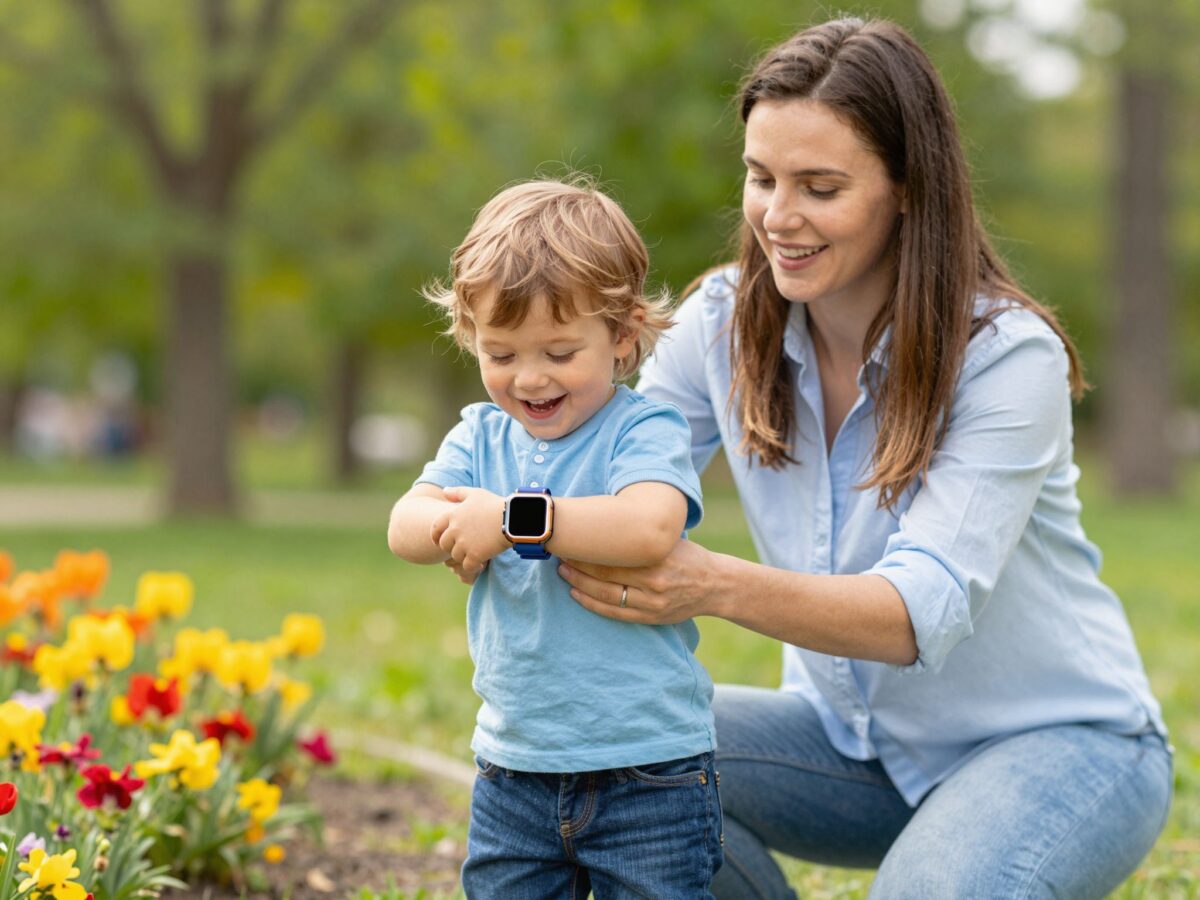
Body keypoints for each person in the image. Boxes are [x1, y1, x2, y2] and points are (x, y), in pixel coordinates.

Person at [557, 17, 1172, 899]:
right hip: (849, 752)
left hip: (1058, 742)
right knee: (592, 763)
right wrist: (491, 507)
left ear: (909, 189)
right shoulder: (720, 328)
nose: (778, 215)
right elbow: (601, 478)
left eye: (821, 186)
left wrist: (711, 585)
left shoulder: (1005, 357)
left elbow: (918, 611)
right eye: (761, 177)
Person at [387, 177, 723, 898]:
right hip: (514, 770)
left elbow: (650, 525)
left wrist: (512, 520)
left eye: (560, 352)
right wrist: (456, 522)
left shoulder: (642, 429)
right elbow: (404, 526)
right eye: (501, 355)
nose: (530, 378)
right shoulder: (479, 434)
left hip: (649, 772)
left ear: (624, 336)